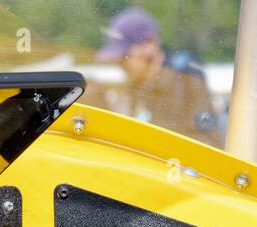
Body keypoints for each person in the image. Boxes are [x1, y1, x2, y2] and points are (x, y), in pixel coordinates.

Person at [84, 8, 222, 146]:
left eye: (124, 57)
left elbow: (207, 143)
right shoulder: (138, 85)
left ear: (149, 45)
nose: (121, 66)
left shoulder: (184, 82)